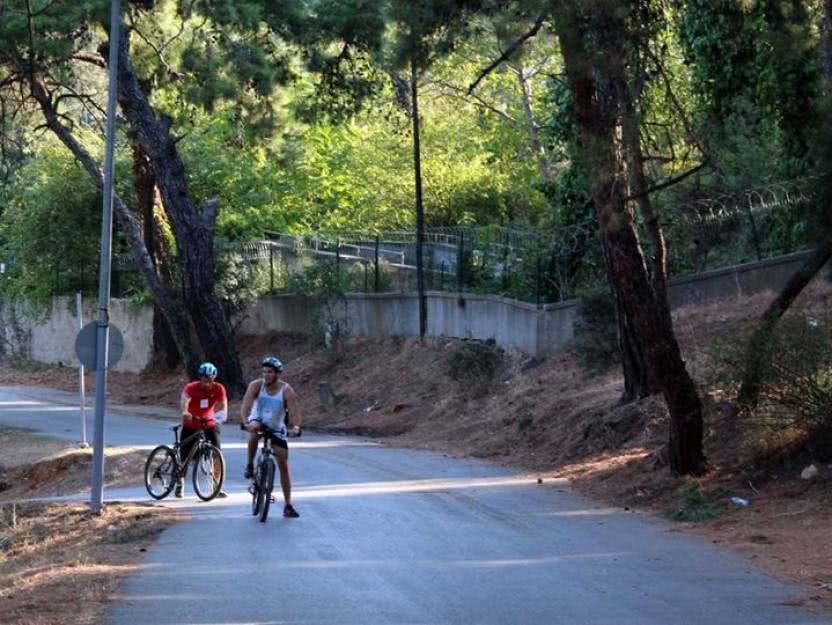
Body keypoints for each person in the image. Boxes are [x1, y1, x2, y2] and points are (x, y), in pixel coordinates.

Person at [241, 356, 303, 518]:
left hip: (277, 427)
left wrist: (296, 427)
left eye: (270, 372)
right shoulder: (256, 386)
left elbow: (294, 411)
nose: (266, 375)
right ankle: (250, 464)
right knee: (254, 429)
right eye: (264, 372)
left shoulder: (286, 390)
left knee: (283, 463)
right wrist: (245, 421)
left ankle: (288, 505)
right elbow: (246, 405)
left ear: (277, 374)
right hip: (258, 420)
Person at [177, 362, 228, 498]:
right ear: (200, 377)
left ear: (214, 378)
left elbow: (223, 405)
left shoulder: (218, 388)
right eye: (204, 379)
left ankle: (216, 486)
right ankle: (179, 484)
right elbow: (185, 401)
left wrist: (218, 417)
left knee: (217, 455)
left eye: (210, 379)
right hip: (191, 423)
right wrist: (185, 412)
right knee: (185, 456)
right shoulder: (191, 387)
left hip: (208, 423)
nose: (207, 382)